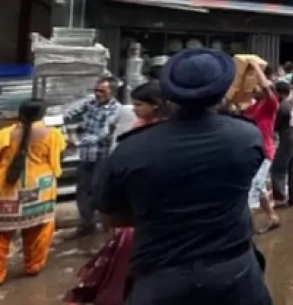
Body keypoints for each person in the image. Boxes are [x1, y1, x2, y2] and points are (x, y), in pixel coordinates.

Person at [94, 48, 271, 305]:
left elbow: (110, 215)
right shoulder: (246, 137)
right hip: (235, 272)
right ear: (224, 91)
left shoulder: (131, 149)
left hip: (160, 278)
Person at [65, 83, 169, 304]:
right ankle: (87, 223)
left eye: (140, 104)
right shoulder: (135, 122)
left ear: (156, 106)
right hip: (112, 172)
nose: (135, 109)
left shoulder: (159, 131)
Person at [0, 100, 65, 285]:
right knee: (39, 230)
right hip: (40, 190)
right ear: (42, 115)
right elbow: (57, 158)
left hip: (7, 189)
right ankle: (33, 266)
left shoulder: (5, 134)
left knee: (2, 234)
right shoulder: (53, 135)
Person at [63, 77, 121, 238]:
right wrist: (66, 131)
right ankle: (86, 223)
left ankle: (104, 224)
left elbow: (104, 133)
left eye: (102, 91)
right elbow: (68, 115)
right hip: (86, 154)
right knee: (82, 189)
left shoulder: (116, 109)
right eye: (96, 90)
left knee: (97, 190)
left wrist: (79, 141)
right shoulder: (90, 103)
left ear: (112, 92)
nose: (97, 93)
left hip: (101, 155)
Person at [242, 60, 281, 234]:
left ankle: (245, 227)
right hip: (252, 152)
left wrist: (256, 68)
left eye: (258, 87)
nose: (256, 88)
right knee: (260, 188)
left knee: (253, 187)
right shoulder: (251, 108)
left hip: (265, 152)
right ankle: (272, 217)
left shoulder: (270, 105)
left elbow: (265, 87)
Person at [271, 82, 293, 208]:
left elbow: (276, 125)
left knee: (278, 169)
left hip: (287, 138)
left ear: (279, 92)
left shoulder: (282, 107)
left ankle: (280, 198)